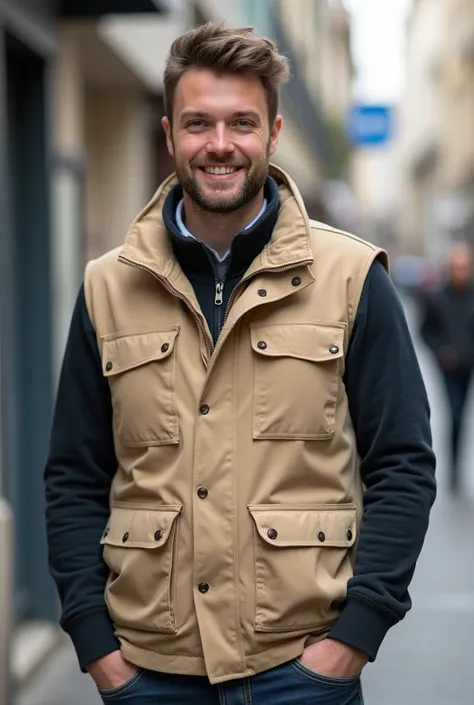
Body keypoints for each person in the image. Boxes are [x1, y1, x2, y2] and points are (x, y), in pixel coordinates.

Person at [44, 23, 436, 705]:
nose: (219, 145)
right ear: (169, 135)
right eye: (199, 123)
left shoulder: (351, 277)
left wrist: (352, 640)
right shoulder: (107, 287)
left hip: (301, 670)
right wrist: (98, 649)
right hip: (149, 671)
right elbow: (74, 475)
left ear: (274, 133)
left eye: (241, 123)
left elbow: (403, 462)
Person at [420, 241, 474, 493]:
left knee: (463, 415)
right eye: (457, 266)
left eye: (465, 266)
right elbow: (426, 331)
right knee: (454, 414)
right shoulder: (437, 297)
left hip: (469, 364)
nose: (461, 271)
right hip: (450, 369)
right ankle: (453, 467)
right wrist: (442, 352)